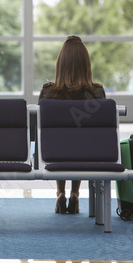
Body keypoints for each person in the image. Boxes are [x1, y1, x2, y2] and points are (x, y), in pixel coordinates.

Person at [38, 35, 106, 214]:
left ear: (60, 64)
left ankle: (60, 193)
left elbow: (40, 129)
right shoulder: (97, 92)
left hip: (54, 153)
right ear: (86, 64)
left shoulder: (48, 92)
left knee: (60, 142)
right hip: (88, 154)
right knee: (80, 143)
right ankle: (75, 193)